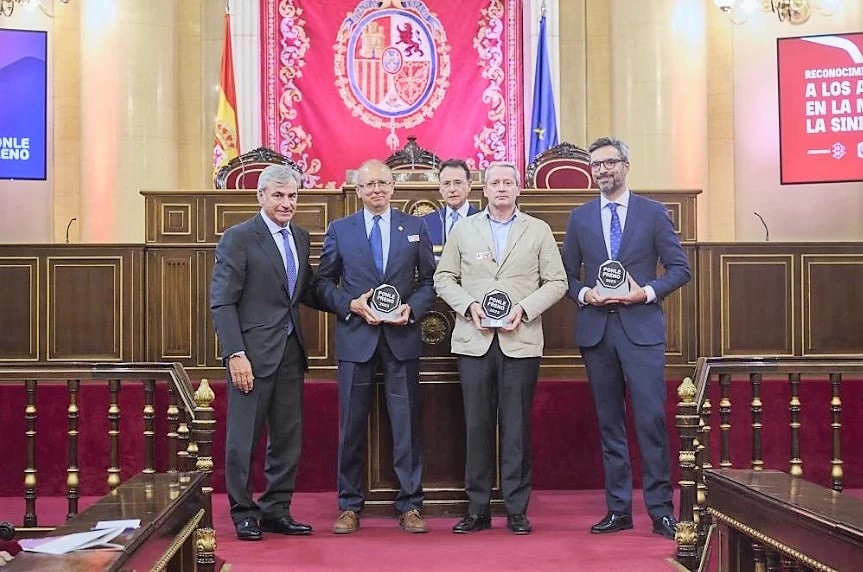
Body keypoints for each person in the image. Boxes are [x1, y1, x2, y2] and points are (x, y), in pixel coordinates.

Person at [561, 137, 691, 540]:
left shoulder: (653, 213)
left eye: (609, 163)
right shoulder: (580, 217)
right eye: (595, 165)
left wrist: (645, 292)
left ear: (626, 166)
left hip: (641, 331)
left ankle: (660, 512)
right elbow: (565, 276)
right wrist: (585, 294)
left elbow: (679, 268)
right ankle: (618, 509)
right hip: (597, 332)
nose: (602, 170)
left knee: (651, 421)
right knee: (610, 424)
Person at [434, 161, 567, 535]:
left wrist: (524, 309)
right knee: (476, 426)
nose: (502, 188)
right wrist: (469, 306)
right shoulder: (464, 229)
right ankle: (477, 509)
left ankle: (516, 508)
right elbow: (443, 278)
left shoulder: (538, 230)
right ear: (484, 189)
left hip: (519, 341)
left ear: (518, 189)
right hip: (473, 340)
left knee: (516, 427)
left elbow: (557, 282)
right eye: (495, 182)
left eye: (509, 182)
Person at [313, 159, 436, 535]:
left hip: (401, 340)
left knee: (406, 426)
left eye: (383, 183)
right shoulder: (340, 230)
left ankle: (411, 505)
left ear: (393, 187)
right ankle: (349, 506)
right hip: (357, 340)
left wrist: (411, 309)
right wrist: (350, 304)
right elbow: (321, 284)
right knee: (351, 426)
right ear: (358, 190)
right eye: (369, 185)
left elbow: (430, 282)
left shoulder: (415, 227)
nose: (377, 190)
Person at [210, 165, 321, 541]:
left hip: (290, 352)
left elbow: (306, 290)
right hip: (251, 357)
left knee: (287, 437)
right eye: (278, 195)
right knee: (244, 437)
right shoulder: (239, 238)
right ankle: (243, 512)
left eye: (292, 196)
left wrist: (351, 303)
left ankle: (277, 510)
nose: (286, 203)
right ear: (260, 197)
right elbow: (222, 303)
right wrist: (235, 353)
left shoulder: (301, 237)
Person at [421, 158, 480, 252]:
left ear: (469, 185)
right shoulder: (425, 223)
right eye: (446, 184)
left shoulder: (483, 220)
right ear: (440, 188)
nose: (452, 189)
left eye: (458, 183)